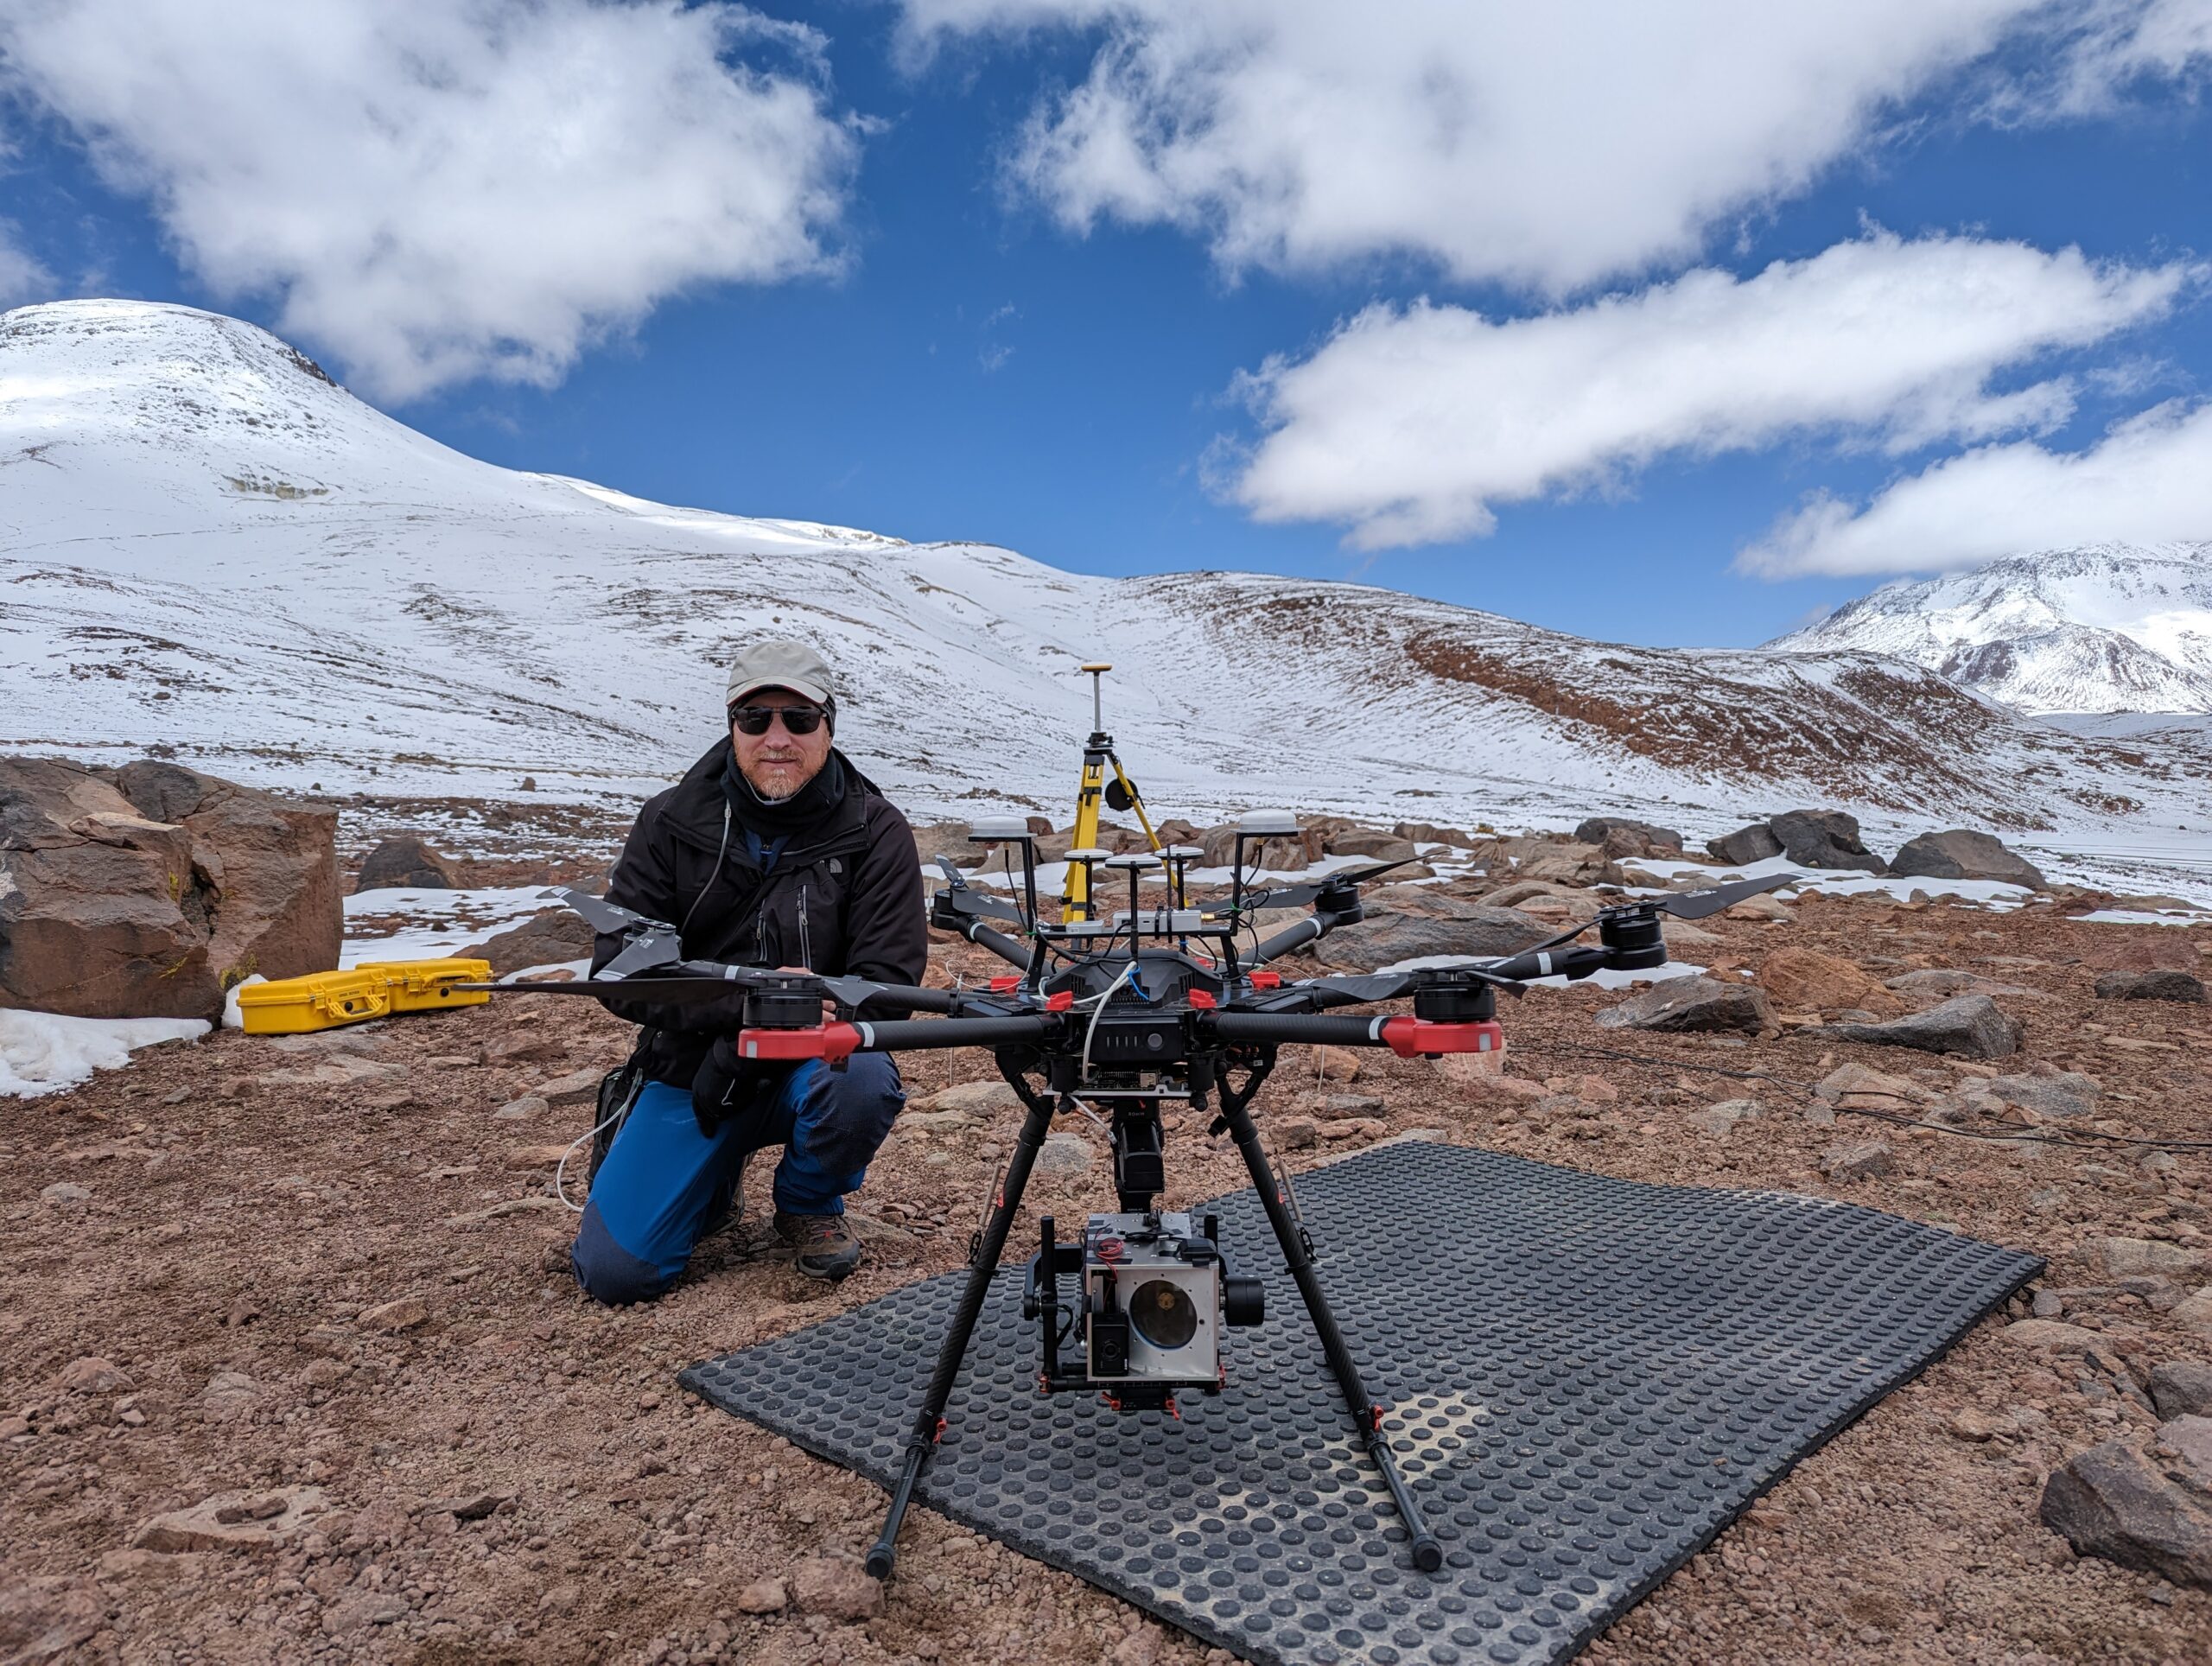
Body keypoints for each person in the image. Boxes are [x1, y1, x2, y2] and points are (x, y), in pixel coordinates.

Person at [571, 640, 925, 1300]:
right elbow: (619, 969)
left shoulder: (877, 829)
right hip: (690, 1070)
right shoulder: (670, 820)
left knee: (865, 1079)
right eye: (755, 718)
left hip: (817, 1062)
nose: (777, 738)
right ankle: (713, 1182)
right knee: (619, 1276)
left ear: (829, 726)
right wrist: (743, 1007)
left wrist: (797, 1017)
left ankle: (807, 1200)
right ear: (733, 727)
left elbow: (888, 982)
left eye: (799, 719)